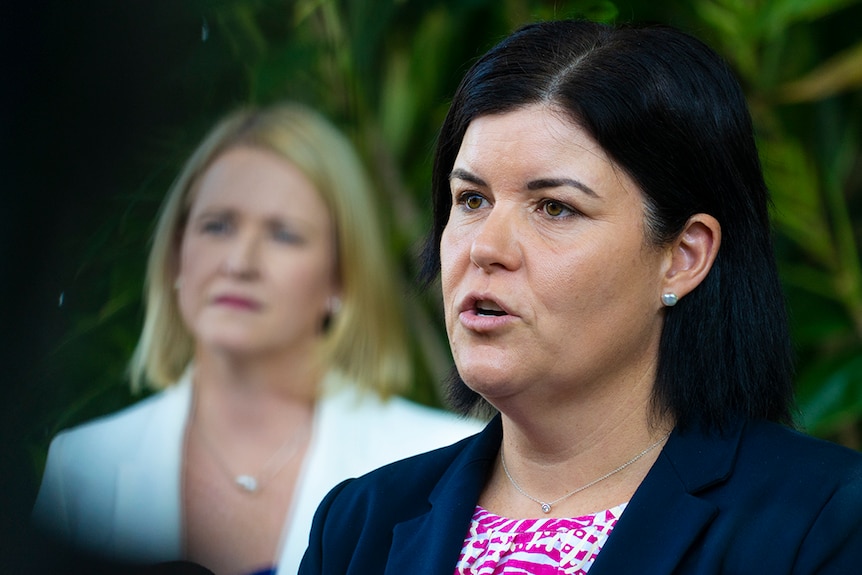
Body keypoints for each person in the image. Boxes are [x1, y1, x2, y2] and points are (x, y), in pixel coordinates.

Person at [298, 19, 862, 574]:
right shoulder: (359, 525)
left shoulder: (821, 521)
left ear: (684, 256)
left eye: (555, 208)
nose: (485, 247)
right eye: (471, 199)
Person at [31, 102, 482, 575]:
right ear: (176, 256)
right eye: (217, 226)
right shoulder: (81, 467)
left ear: (340, 278)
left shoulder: (452, 464)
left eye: (283, 234)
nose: (239, 262)